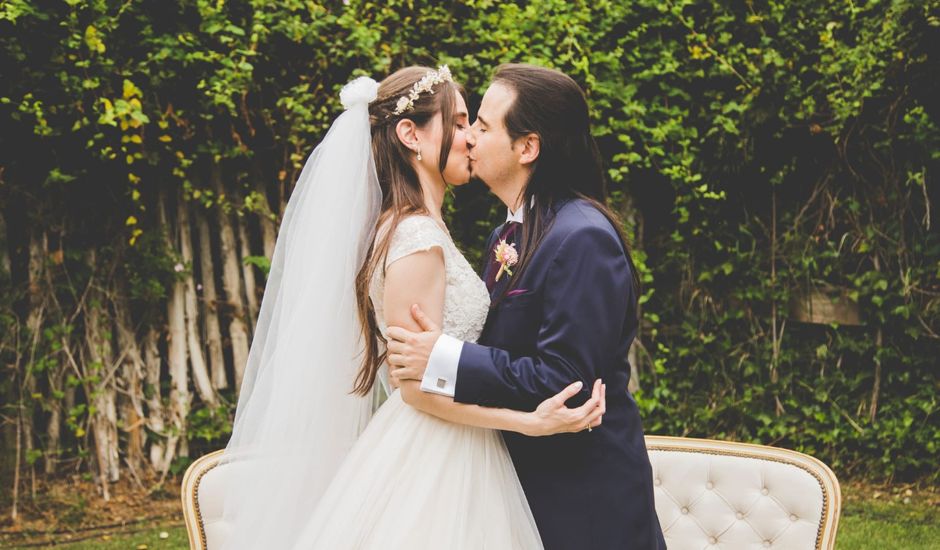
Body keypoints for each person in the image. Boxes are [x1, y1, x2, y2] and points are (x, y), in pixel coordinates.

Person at [218, 66, 605, 550]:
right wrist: (529, 422)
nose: (469, 140)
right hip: (437, 454)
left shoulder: (424, 231)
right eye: (460, 123)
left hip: (457, 443)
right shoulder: (414, 238)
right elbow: (417, 390)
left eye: (476, 126)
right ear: (411, 135)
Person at [387, 64, 667, 550]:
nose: (469, 137)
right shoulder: (507, 235)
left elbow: (565, 379)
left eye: (483, 125)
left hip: (584, 503)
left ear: (528, 147)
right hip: (517, 490)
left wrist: (445, 355)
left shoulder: (582, 237)